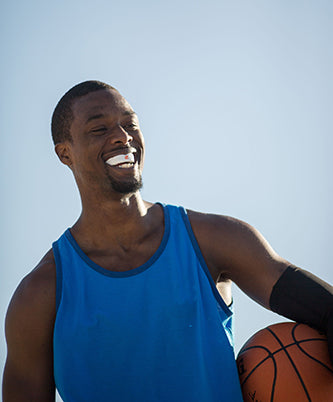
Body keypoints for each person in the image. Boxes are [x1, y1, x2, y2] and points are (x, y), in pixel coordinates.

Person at [3, 80, 333, 402]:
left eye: (129, 124)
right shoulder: (40, 295)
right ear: (65, 153)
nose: (122, 137)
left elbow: (328, 311)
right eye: (99, 129)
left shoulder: (215, 240)